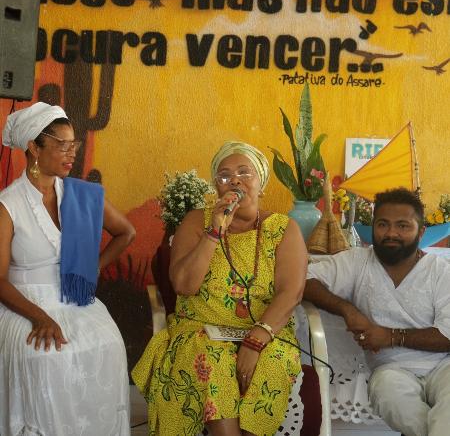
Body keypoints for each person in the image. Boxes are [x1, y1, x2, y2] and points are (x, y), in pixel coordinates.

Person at [132, 141, 307, 436]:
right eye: (224, 175)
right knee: (212, 359)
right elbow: (184, 285)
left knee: (275, 359)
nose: (234, 180)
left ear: (260, 184)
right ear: (216, 186)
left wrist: (256, 339)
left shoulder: (283, 229)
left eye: (244, 173)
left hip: (263, 329)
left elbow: (292, 292)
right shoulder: (196, 221)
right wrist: (215, 230)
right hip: (200, 330)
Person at [0, 102, 136, 436]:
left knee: (108, 345)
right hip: (23, 303)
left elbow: (127, 232)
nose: (71, 153)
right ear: (34, 147)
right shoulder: (8, 204)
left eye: (73, 145)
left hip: (75, 299)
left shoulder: (80, 195)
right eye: (61, 145)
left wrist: (93, 268)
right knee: (47, 358)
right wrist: (39, 317)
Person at [304, 188, 450, 436]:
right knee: (387, 393)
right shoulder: (358, 261)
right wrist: (347, 309)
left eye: (403, 226)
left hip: (443, 367)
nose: (391, 233)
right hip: (392, 371)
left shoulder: (440, 271)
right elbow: (305, 278)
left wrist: (391, 336)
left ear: (421, 231)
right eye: (383, 224)